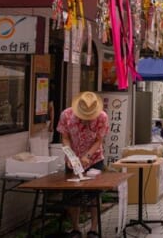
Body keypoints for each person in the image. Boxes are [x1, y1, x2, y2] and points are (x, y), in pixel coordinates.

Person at [57, 91, 109, 238]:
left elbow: (99, 140)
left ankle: (93, 229)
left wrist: (88, 155)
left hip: (95, 159)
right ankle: (75, 229)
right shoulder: (66, 115)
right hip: (72, 160)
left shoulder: (102, 117)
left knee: (94, 194)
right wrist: (70, 156)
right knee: (72, 194)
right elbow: (65, 138)